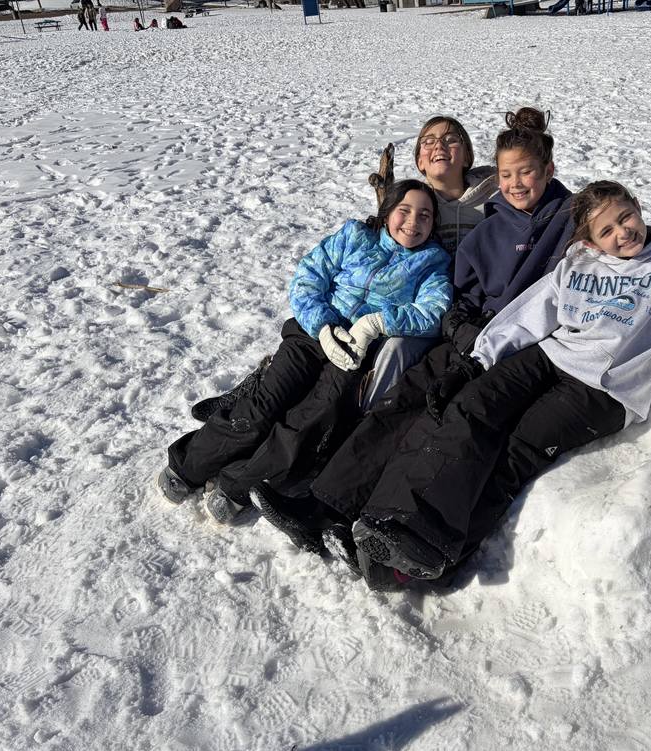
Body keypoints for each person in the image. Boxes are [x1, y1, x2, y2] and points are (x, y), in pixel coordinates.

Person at [347, 180, 651, 582]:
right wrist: (476, 363)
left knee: (513, 452)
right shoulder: (577, 262)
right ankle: (391, 519)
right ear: (592, 242)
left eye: (626, 217)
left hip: (603, 390)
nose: (622, 232)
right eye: (607, 230)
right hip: (548, 357)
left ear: (638, 205)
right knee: (468, 408)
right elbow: (527, 316)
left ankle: (431, 556)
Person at [257, 107, 574, 570]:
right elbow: (459, 292)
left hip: (518, 345)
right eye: (507, 174)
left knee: (437, 414)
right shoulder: (489, 224)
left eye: (526, 171)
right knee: (404, 399)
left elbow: (624, 235)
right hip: (465, 333)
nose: (515, 182)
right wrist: (459, 327)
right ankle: (327, 505)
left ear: (549, 170)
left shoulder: (569, 215)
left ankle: (366, 516)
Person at [158, 180, 452, 525]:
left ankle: (239, 484)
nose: (413, 222)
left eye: (425, 215)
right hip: (312, 336)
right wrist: (323, 326)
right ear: (387, 211)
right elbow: (308, 277)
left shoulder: (433, 263)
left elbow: (434, 310)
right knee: (263, 406)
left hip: (354, 352)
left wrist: (376, 323)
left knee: (307, 421)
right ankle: (190, 464)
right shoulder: (355, 236)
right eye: (404, 210)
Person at [189, 115, 496, 424]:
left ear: (467, 155)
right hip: (404, 302)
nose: (439, 146)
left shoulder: (492, 198)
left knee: (392, 350)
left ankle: (360, 423)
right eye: (428, 141)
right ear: (419, 160)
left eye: (450, 139)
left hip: (450, 308)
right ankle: (262, 385)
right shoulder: (415, 200)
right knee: (332, 320)